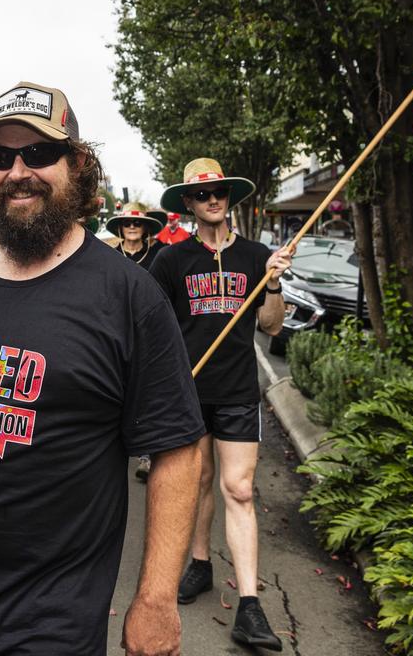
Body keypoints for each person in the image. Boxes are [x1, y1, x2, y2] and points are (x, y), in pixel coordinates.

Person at [0, 81, 204, 656]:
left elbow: (179, 449)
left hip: (45, 620)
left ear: (76, 165)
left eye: (39, 154)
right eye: (0, 157)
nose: (17, 171)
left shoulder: (129, 295)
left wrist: (155, 599)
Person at [146, 157, 293, 652]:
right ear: (188, 203)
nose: (213, 200)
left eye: (220, 193)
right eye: (203, 194)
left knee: (240, 488)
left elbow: (272, 326)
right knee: (200, 481)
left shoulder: (256, 256)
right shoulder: (171, 261)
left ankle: (250, 606)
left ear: (229, 198)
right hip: (188, 391)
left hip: (235, 392)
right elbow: (157, 329)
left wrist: (271, 282)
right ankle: (201, 564)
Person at [106, 202, 163, 270]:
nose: (132, 227)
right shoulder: (111, 255)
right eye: (127, 223)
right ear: (121, 228)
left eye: (137, 223)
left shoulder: (156, 256)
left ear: (145, 228)